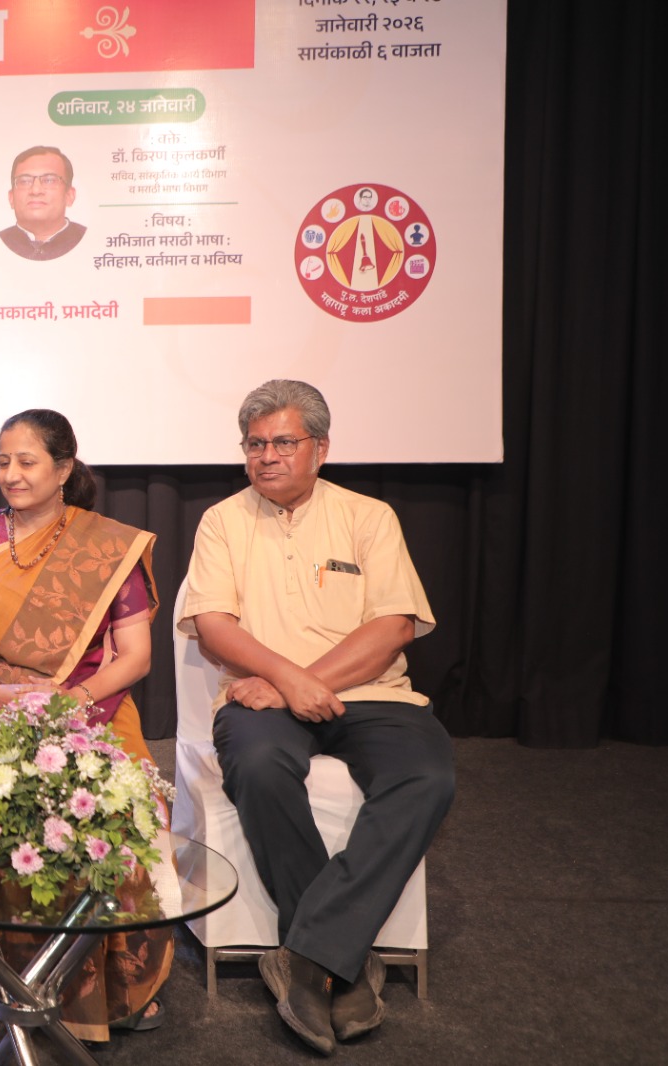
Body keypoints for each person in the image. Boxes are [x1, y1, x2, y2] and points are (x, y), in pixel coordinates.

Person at [178, 380, 455, 1055]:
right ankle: (340, 962)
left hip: (372, 695)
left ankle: (306, 956)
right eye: (254, 445)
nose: (266, 456)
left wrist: (301, 684)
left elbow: (393, 627)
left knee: (427, 778)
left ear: (320, 448)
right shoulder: (223, 521)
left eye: (283, 442)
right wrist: (285, 683)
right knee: (260, 765)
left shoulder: (369, 516)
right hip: (259, 701)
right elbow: (214, 626)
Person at [0, 408, 171, 1042]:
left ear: (63, 470)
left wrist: (71, 700)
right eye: (3, 461)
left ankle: (113, 982)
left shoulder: (107, 546)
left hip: (88, 698)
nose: (11, 474)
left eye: (26, 461)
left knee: (113, 796)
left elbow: (135, 656)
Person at [0, 146, 86, 260]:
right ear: (11, 198)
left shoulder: (89, 239)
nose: (36, 190)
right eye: (24, 181)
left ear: (69, 195)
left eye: (49, 180)